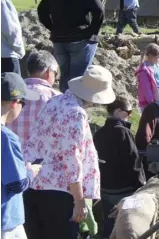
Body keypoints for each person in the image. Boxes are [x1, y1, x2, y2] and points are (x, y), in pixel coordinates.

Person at [23, 65, 115, 239]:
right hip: (58, 192)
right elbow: (71, 158)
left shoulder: (55, 101)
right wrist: (79, 200)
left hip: (35, 183)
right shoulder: (76, 113)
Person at [37, 0, 105, 93]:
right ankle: (74, 107)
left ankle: (63, 104)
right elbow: (100, 11)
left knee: (65, 76)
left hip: (59, 40)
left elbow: (41, 10)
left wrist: (52, 27)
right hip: (80, 39)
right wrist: (92, 31)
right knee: (78, 79)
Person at [93, 96, 145, 239]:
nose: (130, 116)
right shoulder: (124, 132)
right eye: (128, 112)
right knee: (125, 227)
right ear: (117, 111)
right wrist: (141, 185)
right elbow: (133, 162)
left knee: (108, 228)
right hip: (123, 191)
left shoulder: (98, 134)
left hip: (104, 189)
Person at [1, 72, 41, 239]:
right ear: (14, 102)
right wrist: (31, 171)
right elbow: (17, 184)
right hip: (6, 220)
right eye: (23, 103)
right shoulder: (6, 137)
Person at [8, 51, 61, 146]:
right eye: (56, 74)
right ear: (49, 72)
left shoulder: (9, 94)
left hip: (10, 157)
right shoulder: (59, 99)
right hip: (43, 158)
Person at [1, 0, 25, 75]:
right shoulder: (2, 0)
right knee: (13, 90)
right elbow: (10, 30)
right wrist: (20, 50)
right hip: (7, 56)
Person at [135, 43, 159, 112]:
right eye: (158, 57)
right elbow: (145, 88)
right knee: (149, 120)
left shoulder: (157, 66)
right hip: (148, 102)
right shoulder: (144, 70)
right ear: (151, 56)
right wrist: (151, 102)